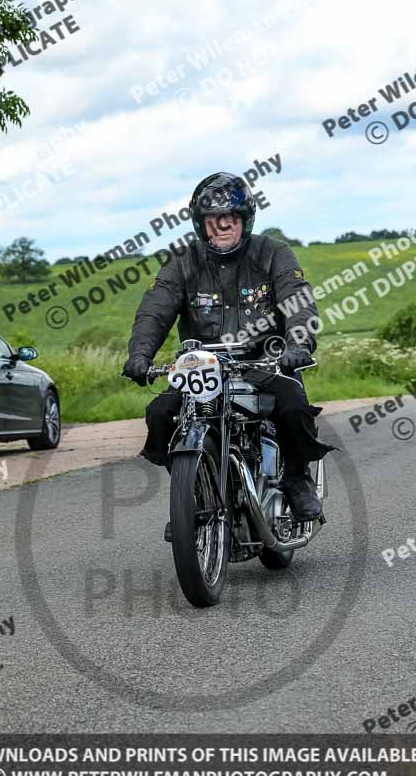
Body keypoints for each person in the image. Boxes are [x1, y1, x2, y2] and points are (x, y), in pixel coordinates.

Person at [122, 172, 334, 523]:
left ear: (244, 220)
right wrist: (140, 356)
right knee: (160, 414)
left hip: (266, 362)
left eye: (230, 219)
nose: (222, 226)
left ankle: (297, 479)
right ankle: (194, 491)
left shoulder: (273, 253)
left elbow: (298, 301)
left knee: (294, 406)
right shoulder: (182, 261)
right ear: (200, 224)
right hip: (204, 365)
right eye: (212, 220)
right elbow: (154, 309)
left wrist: (297, 343)